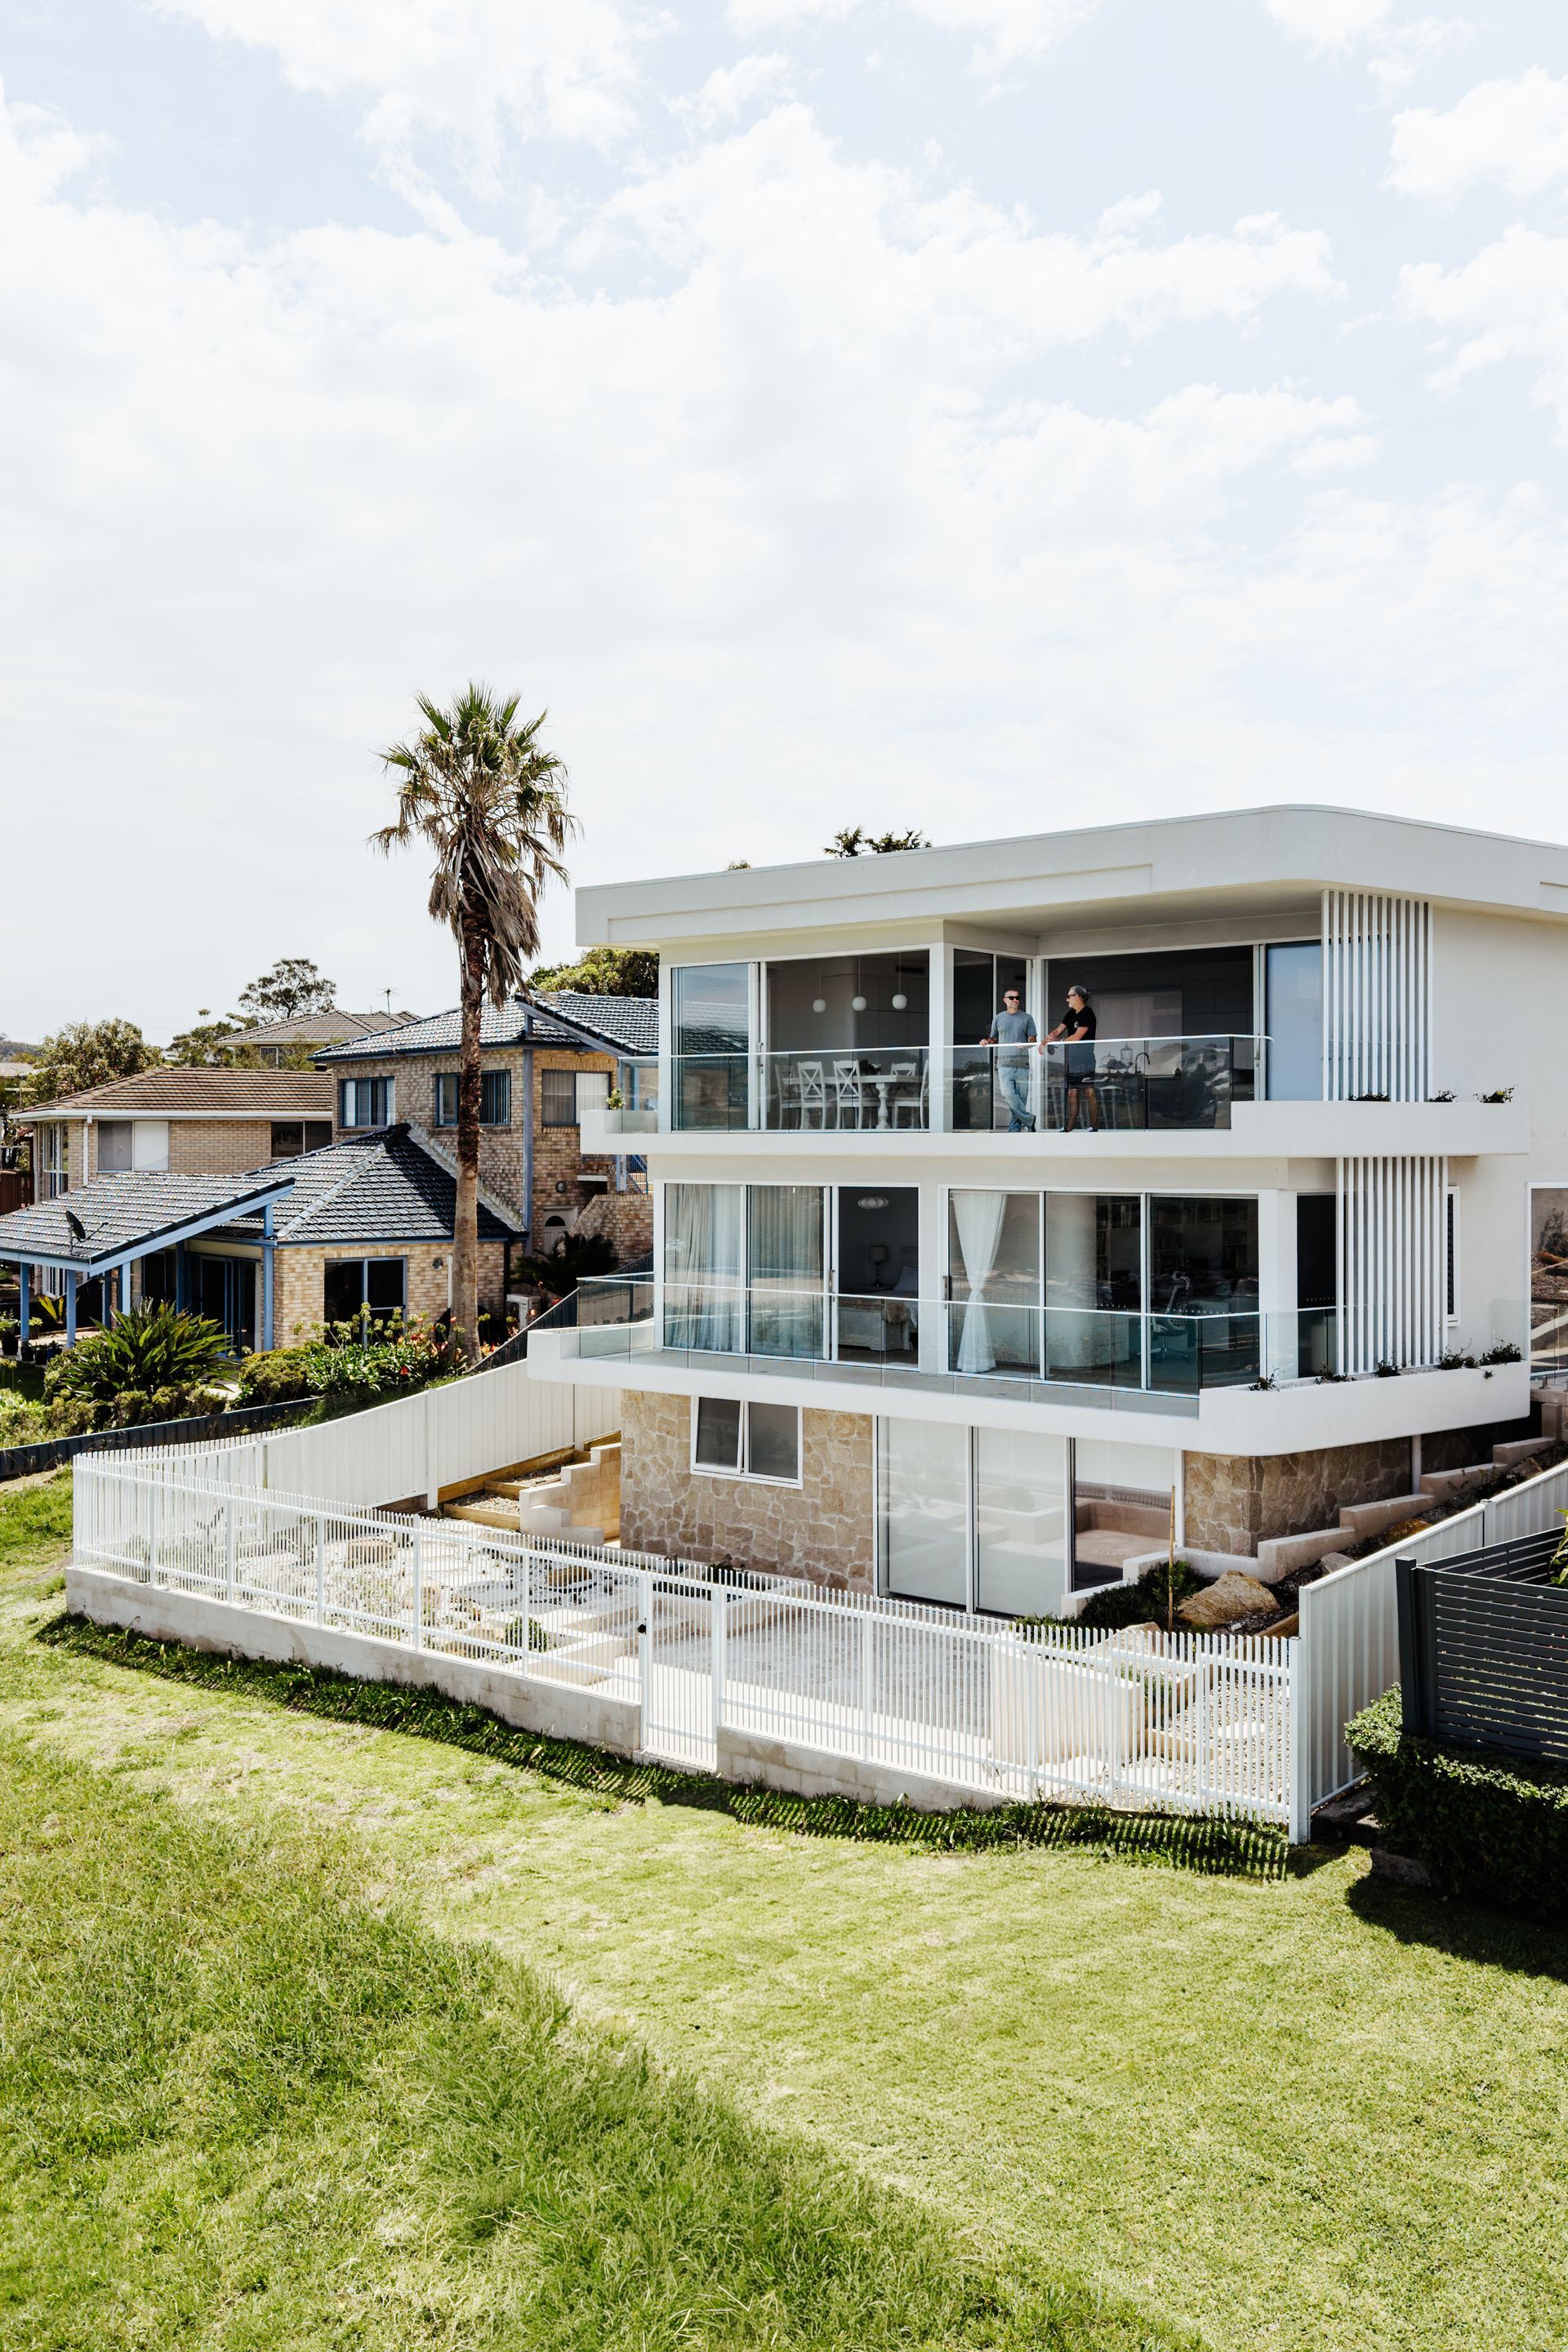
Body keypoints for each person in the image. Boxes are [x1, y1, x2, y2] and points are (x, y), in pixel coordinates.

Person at [1045, 984, 1100, 1132]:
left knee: (1089, 1091)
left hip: (1086, 1059)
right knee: (1072, 1092)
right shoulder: (1070, 1014)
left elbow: (1077, 1037)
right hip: (1071, 1059)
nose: (1067, 999)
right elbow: (1057, 1031)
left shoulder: (1088, 1013)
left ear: (1078, 997)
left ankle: (1094, 1127)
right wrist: (1045, 1041)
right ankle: (1069, 1128)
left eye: (1069, 996)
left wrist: (1059, 1042)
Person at [983, 987, 1038, 1129]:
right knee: (1008, 1095)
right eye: (1012, 998)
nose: (1015, 1000)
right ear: (1005, 1000)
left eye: (1017, 998)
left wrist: (1025, 1045)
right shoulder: (999, 1018)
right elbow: (993, 1039)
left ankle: (1014, 1132)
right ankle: (1029, 1119)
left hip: (1022, 1064)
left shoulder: (1027, 1018)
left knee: (1020, 1099)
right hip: (1004, 1064)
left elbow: (1033, 1041)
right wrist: (985, 1042)